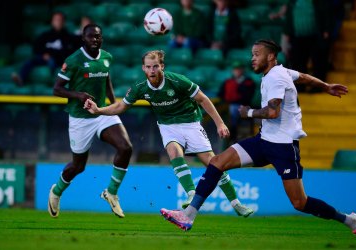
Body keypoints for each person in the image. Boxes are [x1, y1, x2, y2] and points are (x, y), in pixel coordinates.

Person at [160, 39, 356, 241]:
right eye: (252, 54)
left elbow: (273, 112)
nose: (252, 58)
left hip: (283, 147)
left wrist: (248, 113)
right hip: (263, 141)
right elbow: (303, 77)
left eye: (256, 54)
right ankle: (189, 215)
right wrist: (325, 86)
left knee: (300, 203)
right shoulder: (280, 72)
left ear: (271, 56)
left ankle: (350, 220)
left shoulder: (276, 77)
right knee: (217, 163)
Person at [84, 50, 254, 217]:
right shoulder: (140, 87)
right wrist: (99, 110)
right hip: (167, 126)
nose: (152, 70)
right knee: (173, 151)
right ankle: (191, 193)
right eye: (148, 67)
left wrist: (220, 123)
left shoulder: (177, 80)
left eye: (155, 66)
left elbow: (202, 99)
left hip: (191, 123)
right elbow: (121, 106)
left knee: (214, 163)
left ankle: (236, 204)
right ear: (143, 68)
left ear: (162, 67)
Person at [47, 24, 133, 219]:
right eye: (91, 37)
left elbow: (106, 80)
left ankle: (111, 192)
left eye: (98, 36)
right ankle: (56, 191)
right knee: (78, 166)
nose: (95, 39)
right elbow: (57, 89)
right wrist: (78, 95)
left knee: (126, 147)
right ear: (83, 39)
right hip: (80, 119)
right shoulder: (74, 60)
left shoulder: (107, 57)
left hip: (102, 112)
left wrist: (114, 105)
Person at [12, 12, 75, 86]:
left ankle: (51, 83)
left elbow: (69, 52)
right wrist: (44, 54)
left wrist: (53, 55)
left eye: (60, 20)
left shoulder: (68, 37)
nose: (58, 22)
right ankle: (20, 78)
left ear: (64, 22)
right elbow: (36, 47)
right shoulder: (45, 35)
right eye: (56, 20)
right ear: (52, 22)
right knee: (30, 61)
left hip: (58, 60)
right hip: (44, 58)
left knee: (52, 63)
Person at [283, 0, 334, 91]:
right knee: (298, 64)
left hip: (316, 36)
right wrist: (287, 33)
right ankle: (300, 87)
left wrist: (326, 30)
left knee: (318, 63)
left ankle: (318, 87)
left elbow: (325, 15)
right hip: (297, 37)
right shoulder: (292, 2)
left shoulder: (319, 2)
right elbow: (289, 18)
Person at [218, 61, 255, 143]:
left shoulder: (248, 82)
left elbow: (248, 97)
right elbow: (221, 94)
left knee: (234, 109)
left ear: (242, 70)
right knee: (230, 109)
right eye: (235, 69)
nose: (237, 71)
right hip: (228, 105)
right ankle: (229, 135)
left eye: (239, 69)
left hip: (243, 105)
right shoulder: (228, 82)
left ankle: (233, 135)